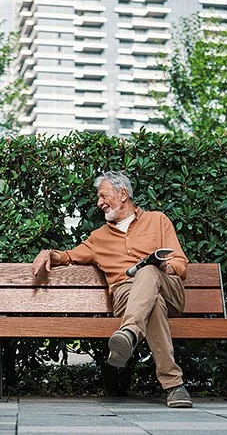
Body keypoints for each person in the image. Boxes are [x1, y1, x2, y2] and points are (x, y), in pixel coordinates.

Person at [30, 171, 193, 408]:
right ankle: (174, 386)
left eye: (103, 196)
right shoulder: (99, 238)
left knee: (147, 272)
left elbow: (181, 264)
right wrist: (48, 253)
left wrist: (162, 267)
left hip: (169, 290)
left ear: (123, 194)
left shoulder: (158, 220)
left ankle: (128, 333)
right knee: (152, 304)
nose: (99, 203)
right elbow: (68, 256)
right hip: (127, 296)